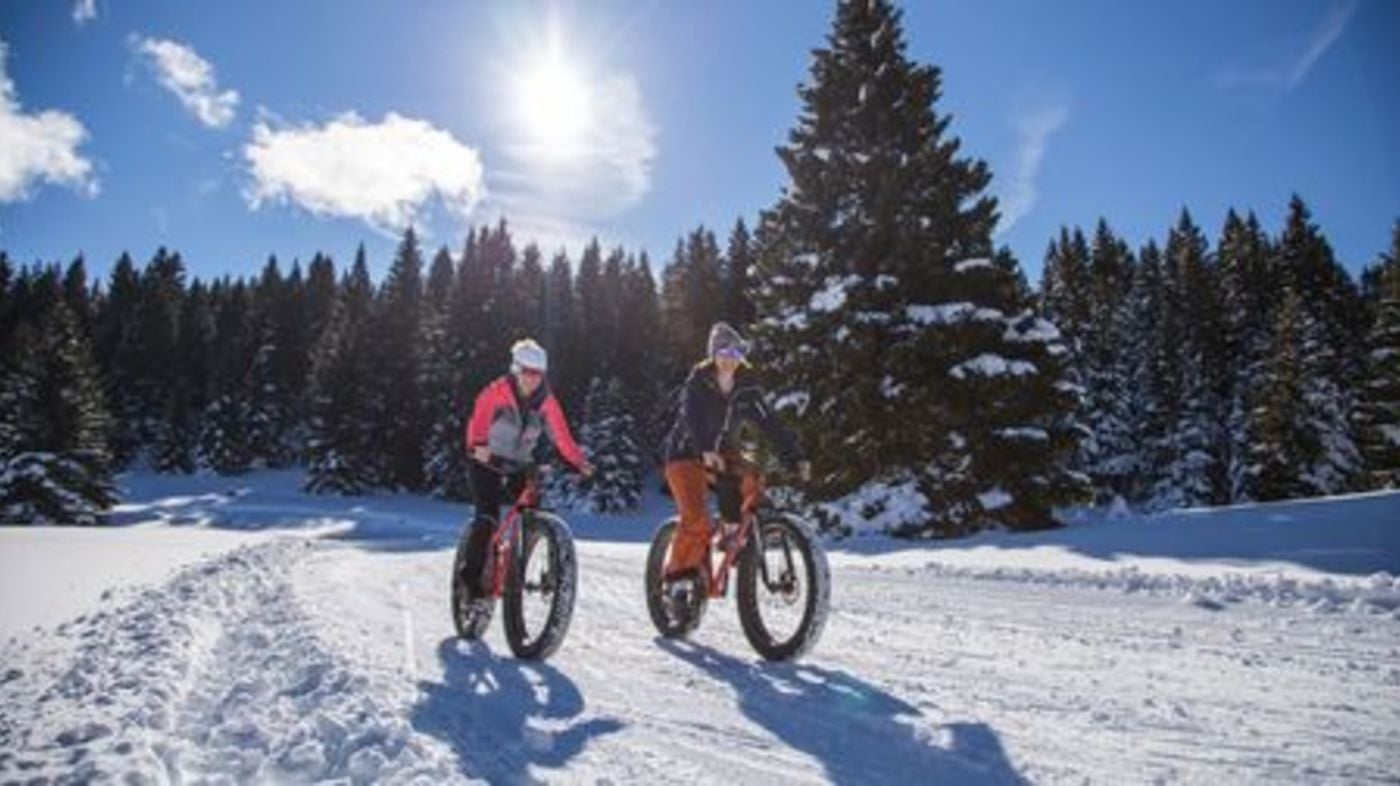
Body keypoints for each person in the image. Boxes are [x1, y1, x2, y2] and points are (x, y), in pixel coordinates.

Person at [661, 322, 810, 585]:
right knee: (696, 519)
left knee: (753, 469)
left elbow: (770, 423)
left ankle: (736, 534)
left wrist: (795, 457)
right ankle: (677, 580)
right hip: (685, 454)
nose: (729, 361)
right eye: (723, 354)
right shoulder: (698, 383)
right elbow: (691, 418)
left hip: (721, 454)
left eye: (734, 355)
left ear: (741, 357)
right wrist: (704, 448)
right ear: (713, 355)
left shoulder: (747, 388)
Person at [461, 338, 592, 592]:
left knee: (531, 511)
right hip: (486, 461)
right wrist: (478, 446)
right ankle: (471, 579)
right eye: (528, 373)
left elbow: (561, 436)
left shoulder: (546, 402)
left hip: (518, 463)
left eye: (539, 375)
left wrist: (579, 462)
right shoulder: (495, 393)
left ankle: (516, 570)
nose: (534, 380)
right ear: (516, 369)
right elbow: (478, 422)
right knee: (488, 516)